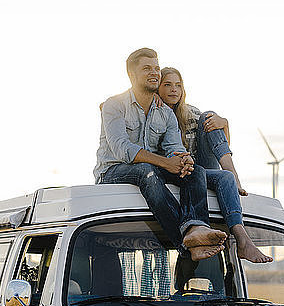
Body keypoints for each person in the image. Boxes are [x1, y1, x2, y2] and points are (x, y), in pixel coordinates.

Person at [93, 48, 227, 261]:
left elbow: (174, 147)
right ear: (131, 75)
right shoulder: (114, 105)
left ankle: (196, 228)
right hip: (112, 173)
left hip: (150, 169)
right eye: (147, 68)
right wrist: (166, 163)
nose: (154, 72)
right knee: (147, 171)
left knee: (196, 172)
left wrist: (184, 160)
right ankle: (185, 242)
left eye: (156, 68)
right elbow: (122, 149)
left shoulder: (165, 113)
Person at [158, 67, 273, 263]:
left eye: (178, 85)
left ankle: (242, 238)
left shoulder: (191, 112)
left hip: (199, 169)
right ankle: (229, 178)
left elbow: (216, 142)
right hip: (173, 170)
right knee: (210, 173)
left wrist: (224, 124)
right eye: (167, 85)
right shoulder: (152, 115)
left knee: (210, 117)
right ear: (157, 88)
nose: (173, 90)